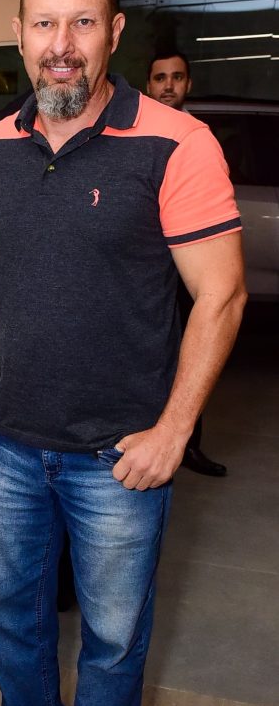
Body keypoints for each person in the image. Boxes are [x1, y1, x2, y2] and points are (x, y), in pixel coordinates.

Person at [0, 0, 245, 706]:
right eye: (45, 26)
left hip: (117, 456)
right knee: (9, 616)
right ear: (20, 34)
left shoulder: (176, 142)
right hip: (8, 443)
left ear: (114, 33)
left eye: (81, 24)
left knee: (115, 633)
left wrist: (172, 431)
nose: (61, 47)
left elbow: (222, 296)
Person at [146, 49, 227, 477]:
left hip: (189, 271)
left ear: (188, 84)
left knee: (193, 352)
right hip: (152, 275)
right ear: (149, 84)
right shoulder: (139, 139)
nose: (168, 85)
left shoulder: (199, 138)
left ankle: (187, 442)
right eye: (160, 78)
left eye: (177, 77)